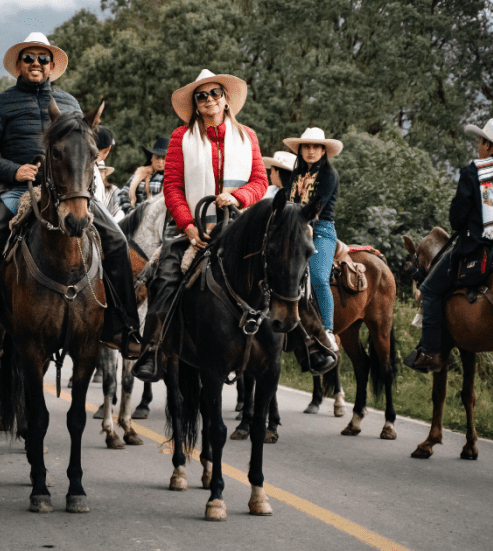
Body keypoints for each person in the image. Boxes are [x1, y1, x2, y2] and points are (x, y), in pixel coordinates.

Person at [0, 31, 143, 370]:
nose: (36, 63)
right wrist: (15, 170)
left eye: (42, 58)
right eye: (29, 58)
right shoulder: (0, 103)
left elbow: (83, 152)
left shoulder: (70, 104)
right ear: (19, 64)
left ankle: (122, 327)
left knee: (118, 241)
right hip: (16, 190)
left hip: (70, 193)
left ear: (51, 65)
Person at [132, 68, 269, 382]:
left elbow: (260, 182)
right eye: (201, 95)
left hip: (238, 229)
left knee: (281, 271)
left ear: (225, 99)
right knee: (163, 278)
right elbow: (173, 188)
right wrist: (188, 226)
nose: (209, 100)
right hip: (194, 231)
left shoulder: (248, 136)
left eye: (214, 94)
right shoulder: (181, 137)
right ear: (195, 104)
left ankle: (299, 340)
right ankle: (152, 350)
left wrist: (238, 197)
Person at [405, 118, 493, 373]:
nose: (477, 146)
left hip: (483, 253)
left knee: (429, 290)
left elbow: (457, 219)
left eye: (480, 141)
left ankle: (429, 352)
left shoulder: (475, 172)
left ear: (489, 145)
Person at [282, 128, 343, 351]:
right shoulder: (294, 175)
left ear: (323, 150)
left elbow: (318, 206)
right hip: (293, 228)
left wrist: (301, 223)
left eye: (316, 147)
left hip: (321, 229)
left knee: (318, 276)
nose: (310, 151)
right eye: (306, 147)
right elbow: (289, 203)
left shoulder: (329, 175)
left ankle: (327, 329)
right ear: (300, 150)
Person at [127, 137, 168, 208]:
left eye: (164, 158)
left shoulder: (172, 179)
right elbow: (123, 193)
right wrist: (129, 211)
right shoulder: (139, 173)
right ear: (152, 158)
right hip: (135, 215)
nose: (160, 162)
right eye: (157, 157)